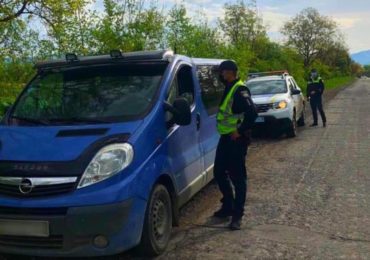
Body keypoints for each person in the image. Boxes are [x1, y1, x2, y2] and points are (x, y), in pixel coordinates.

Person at [213, 60, 258, 230]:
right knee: (218, 172)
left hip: (237, 140)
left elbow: (252, 113)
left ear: (230, 72)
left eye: (223, 72)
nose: (221, 74)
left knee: (238, 178)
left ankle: (237, 216)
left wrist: (240, 130)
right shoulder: (229, 86)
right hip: (225, 138)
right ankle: (228, 206)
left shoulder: (240, 89)